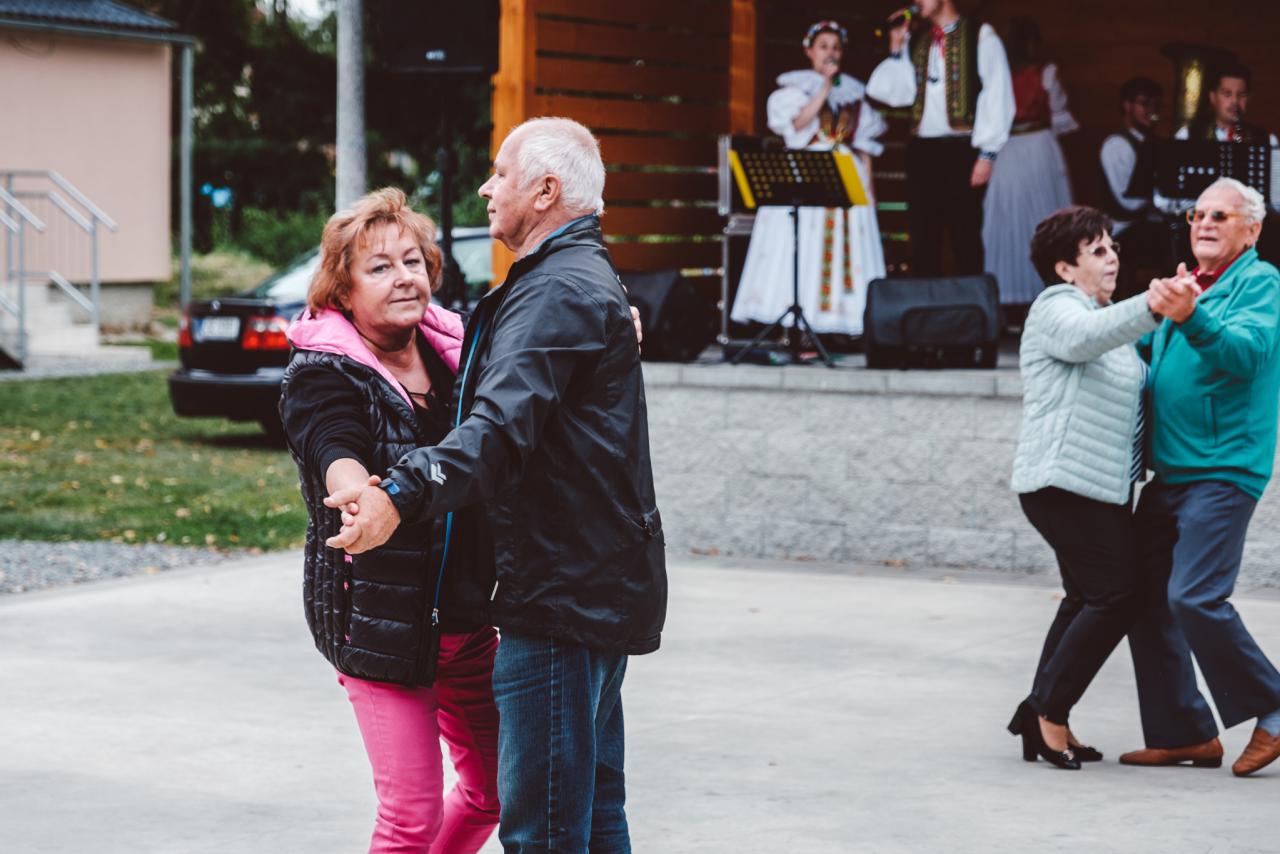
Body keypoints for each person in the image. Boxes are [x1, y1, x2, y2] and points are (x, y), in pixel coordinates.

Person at [324, 117, 667, 851]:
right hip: (588, 587)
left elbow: (496, 433)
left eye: (501, 173)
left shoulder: (559, 292)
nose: (486, 188)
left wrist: (397, 494)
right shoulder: (569, 283)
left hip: (560, 597)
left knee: (546, 831)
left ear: (544, 192)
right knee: (594, 817)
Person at [278, 187, 500, 853]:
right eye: (379, 267)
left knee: (495, 793)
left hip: (467, 622)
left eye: (413, 261)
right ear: (343, 292)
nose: (404, 277)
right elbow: (331, 442)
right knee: (410, 820)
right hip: (382, 627)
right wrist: (355, 493)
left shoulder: (457, 354)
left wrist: (613, 318)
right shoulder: (322, 374)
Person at [1007, 205, 1197, 770]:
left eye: (1113, 246)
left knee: (1085, 598)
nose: (1112, 257)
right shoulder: (1057, 308)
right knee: (1116, 596)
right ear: (1064, 269)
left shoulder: (1108, 320)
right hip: (1062, 483)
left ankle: (1041, 715)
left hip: (1100, 489)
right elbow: (1084, 338)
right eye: (1096, 250)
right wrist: (1154, 304)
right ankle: (1048, 712)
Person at [1121, 178, 1280, 777]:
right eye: (1198, 215)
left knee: (1193, 596)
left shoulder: (1260, 282)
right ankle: (1184, 732)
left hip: (1224, 467)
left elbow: (1246, 355)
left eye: (1221, 215)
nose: (1205, 223)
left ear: (1252, 230)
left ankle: (1274, 706)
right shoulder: (1191, 283)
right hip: (1173, 471)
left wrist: (1189, 316)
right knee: (1141, 596)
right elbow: (1153, 360)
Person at [730, 19, 887, 338]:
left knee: (843, 249)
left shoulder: (855, 94)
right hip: (810, 171)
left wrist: (869, 192)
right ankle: (799, 326)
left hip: (846, 174)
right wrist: (825, 86)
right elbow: (797, 127)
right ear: (809, 51)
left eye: (836, 47)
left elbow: (863, 147)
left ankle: (839, 324)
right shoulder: (794, 91)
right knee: (804, 248)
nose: (830, 53)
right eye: (823, 46)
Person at [867, 0, 1015, 276]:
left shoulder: (979, 35)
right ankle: (926, 298)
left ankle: (970, 299)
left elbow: (997, 92)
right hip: (922, 149)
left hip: (961, 148)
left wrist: (988, 153)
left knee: (964, 232)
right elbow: (895, 94)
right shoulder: (917, 40)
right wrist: (897, 46)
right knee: (922, 233)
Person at [981, 17, 1077, 322]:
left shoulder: (999, 74)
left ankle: (1021, 296)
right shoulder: (1044, 73)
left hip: (1010, 149)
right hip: (1033, 148)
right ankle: (1029, 294)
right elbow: (1059, 114)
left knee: (1015, 219)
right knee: (1032, 217)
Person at [1099, 76, 1167, 300]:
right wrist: (1162, 198)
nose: (1152, 111)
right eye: (1145, 103)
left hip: (1147, 226)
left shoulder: (1152, 142)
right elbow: (1128, 203)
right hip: (1123, 230)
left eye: (1156, 104)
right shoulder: (1117, 145)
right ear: (1127, 106)